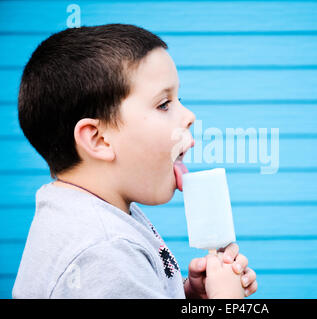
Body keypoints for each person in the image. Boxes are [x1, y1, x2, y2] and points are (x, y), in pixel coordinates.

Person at [12, 24, 257, 299]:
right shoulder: (104, 254)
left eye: (179, 99)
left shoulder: (87, 213)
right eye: (164, 104)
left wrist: (186, 294)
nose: (189, 115)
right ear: (98, 139)